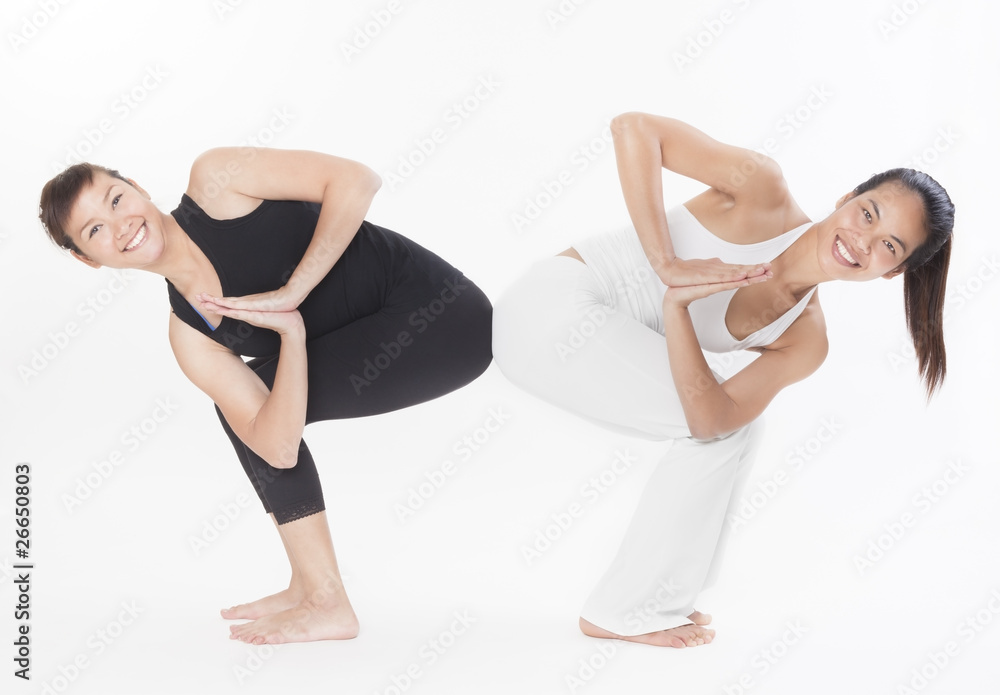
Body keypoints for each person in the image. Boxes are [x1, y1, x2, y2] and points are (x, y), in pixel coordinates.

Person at [492, 112, 954, 648]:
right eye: (867, 213)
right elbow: (634, 128)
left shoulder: (804, 338)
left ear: (891, 273)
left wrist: (678, 308)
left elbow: (711, 419)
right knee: (727, 428)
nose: (863, 240)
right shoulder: (763, 190)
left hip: (568, 352)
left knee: (739, 425)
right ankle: (629, 607)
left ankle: (656, 599)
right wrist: (666, 264)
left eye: (890, 247)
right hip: (550, 308)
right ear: (847, 196)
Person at [38, 147, 494, 645]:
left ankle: (322, 595)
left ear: (141, 189)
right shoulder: (191, 335)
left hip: (446, 318)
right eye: (95, 230)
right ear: (88, 260)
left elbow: (357, 180)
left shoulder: (218, 183)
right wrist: (291, 337)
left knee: (253, 407)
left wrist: (293, 291)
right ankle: (315, 586)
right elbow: (275, 446)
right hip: (380, 334)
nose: (119, 224)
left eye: (117, 199)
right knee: (244, 414)